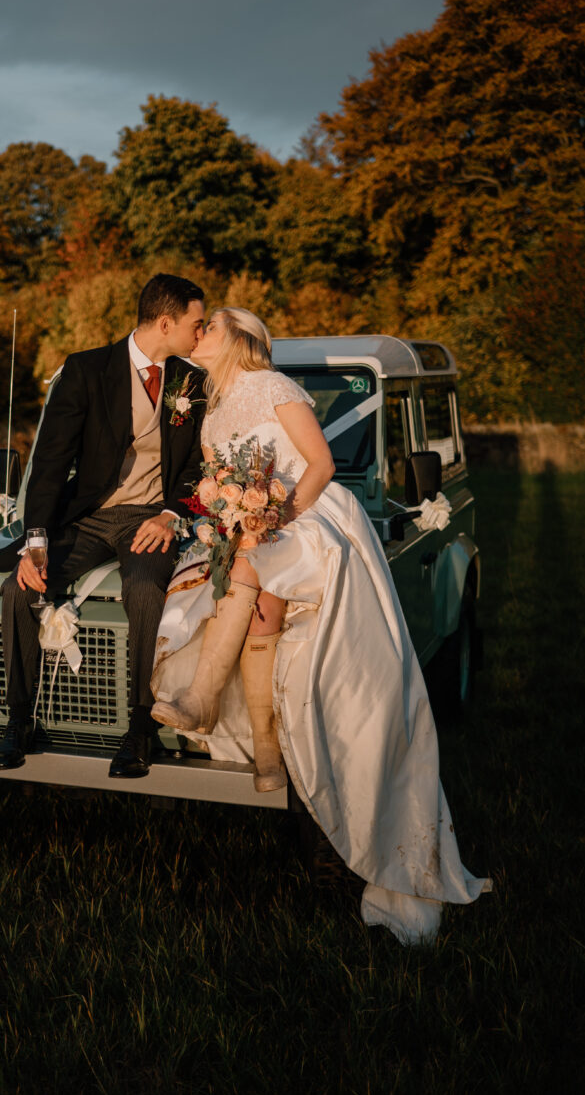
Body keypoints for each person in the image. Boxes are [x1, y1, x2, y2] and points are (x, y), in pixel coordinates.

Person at [151, 308, 490, 944]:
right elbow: (214, 482)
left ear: (244, 340)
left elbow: (320, 463)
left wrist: (271, 518)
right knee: (239, 586)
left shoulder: (274, 388)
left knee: (257, 568)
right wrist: (223, 510)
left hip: (308, 513)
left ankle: (202, 698)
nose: (202, 331)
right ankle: (261, 746)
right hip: (251, 524)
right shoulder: (212, 406)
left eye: (214, 323)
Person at [0, 273, 207, 780]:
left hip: (149, 517)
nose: (200, 334)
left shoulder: (191, 381)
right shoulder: (85, 370)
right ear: (166, 322)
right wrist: (35, 543)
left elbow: (198, 461)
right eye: (195, 325)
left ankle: (139, 728)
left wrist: (171, 514)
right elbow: (49, 462)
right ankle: (18, 721)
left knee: (146, 588)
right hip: (86, 516)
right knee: (19, 589)